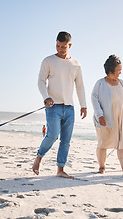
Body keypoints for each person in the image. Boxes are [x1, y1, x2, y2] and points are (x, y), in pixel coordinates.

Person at [32, 31, 87, 179]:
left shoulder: (75, 64)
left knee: (66, 141)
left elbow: (80, 86)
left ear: (70, 45)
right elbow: (41, 82)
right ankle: (39, 157)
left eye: (63, 47)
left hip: (69, 108)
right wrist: (46, 98)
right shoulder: (48, 61)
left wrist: (83, 105)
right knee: (52, 136)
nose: (60, 49)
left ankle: (60, 170)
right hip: (53, 106)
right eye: (57, 46)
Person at [91, 55, 123, 178]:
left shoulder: (121, 82)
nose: (120, 73)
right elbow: (94, 99)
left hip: (121, 118)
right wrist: (100, 115)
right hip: (105, 118)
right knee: (103, 143)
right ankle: (102, 167)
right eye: (118, 70)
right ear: (111, 70)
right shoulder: (100, 83)